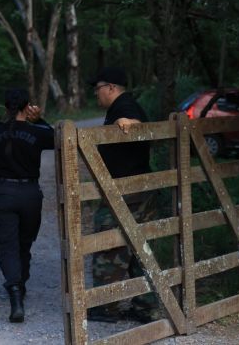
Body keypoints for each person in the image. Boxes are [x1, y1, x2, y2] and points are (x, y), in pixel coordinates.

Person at [88, 67, 160, 323]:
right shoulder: (124, 105)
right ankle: (145, 306)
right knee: (138, 247)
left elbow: (135, 124)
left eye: (97, 88)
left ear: (111, 88)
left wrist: (127, 124)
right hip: (135, 189)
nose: (95, 94)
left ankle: (105, 306)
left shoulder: (124, 107)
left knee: (108, 243)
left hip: (125, 191)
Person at [0, 88, 54, 323]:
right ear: (26, 107)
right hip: (30, 193)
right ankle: (20, 283)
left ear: (6, 107)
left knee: (6, 244)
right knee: (24, 242)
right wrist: (38, 118)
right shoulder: (37, 132)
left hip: (4, 192)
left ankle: (15, 291)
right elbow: (56, 138)